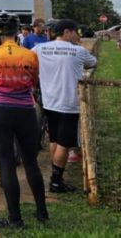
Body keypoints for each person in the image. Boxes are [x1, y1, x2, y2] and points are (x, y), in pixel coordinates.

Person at [0, 12, 48, 229]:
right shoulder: (30, 55)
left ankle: (15, 219)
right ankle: (42, 212)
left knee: (6, 162)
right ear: (17, 31)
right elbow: (34, 81)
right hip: (25, 109)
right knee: (31, 161)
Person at [33, 19, 97, 193]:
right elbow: (93, 63)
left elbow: (29, 61)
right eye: (76, 32)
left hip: (49, 102)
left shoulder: (40, 48)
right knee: (64, 143)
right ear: (67, 32)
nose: (77, 36)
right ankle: (56, 181)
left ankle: (56, 176)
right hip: (69, 103)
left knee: (54, 139)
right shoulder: (78, 50)